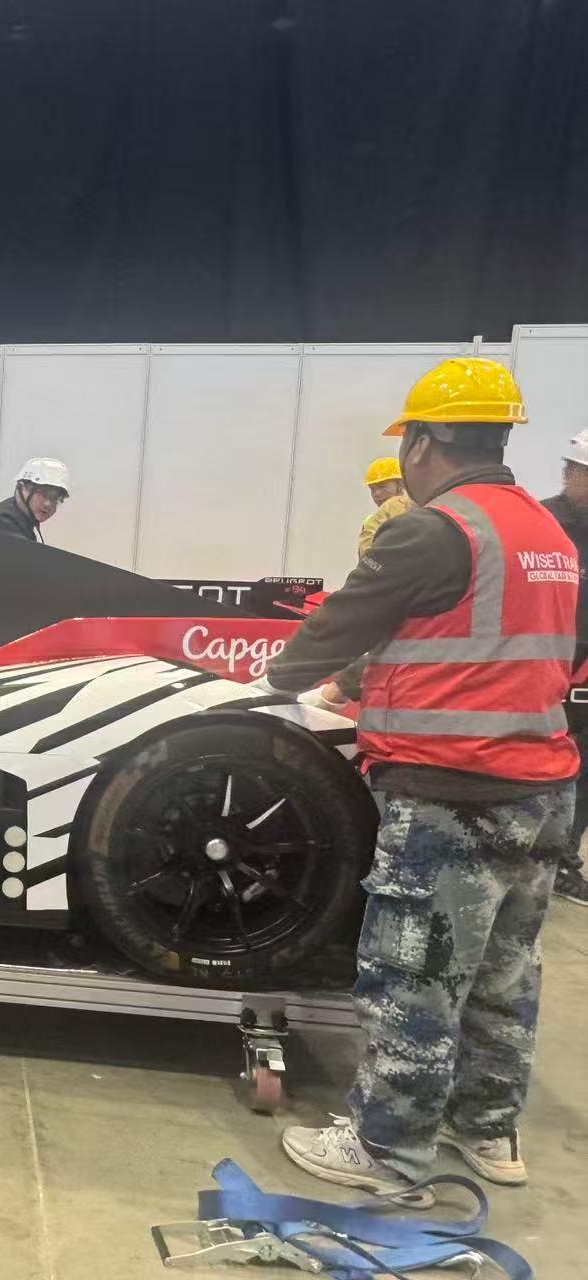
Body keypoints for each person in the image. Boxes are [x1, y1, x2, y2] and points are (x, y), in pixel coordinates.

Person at [259, 358, 575, 1199]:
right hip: (541, 791)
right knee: (503, 974)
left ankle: (387, 1146)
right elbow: (483, 642)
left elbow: (337, 627)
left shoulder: (431, 530)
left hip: (450, 793)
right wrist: (360, 685)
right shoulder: (547, 535)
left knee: (415, 974)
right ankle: (486, 1130)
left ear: (424, 443)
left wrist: (270, 686)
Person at [542, 429, 588, 905]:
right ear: (571, 472)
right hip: (546, 666)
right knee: (545, 763)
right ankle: (535, 857)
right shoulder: (544, 523)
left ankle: (564, 860)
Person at [0, 458, 69, 542]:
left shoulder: (23, 523)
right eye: (43, 493)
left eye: (55, 498)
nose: (48, 504)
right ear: (22, 487)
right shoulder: (1, 522)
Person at [359, 456, 415, 558]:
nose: (377, 494)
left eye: (382, 487)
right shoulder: (370, 521)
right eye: (373, 489)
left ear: (401, 484)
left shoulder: (415, 510)